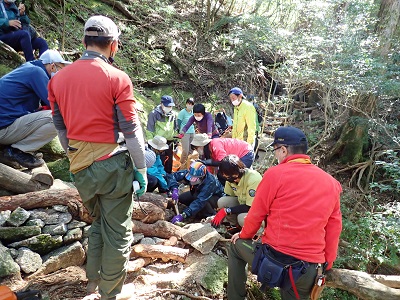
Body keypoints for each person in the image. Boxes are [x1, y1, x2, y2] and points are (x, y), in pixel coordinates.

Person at [48, 15, 147, 300]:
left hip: (80, 166)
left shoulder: (57, 79)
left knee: (100, 223)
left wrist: (74, 157)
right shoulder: (117, 78)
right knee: (118, 233)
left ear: (83, 42)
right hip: (113, 166)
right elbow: (131, 131)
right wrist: (141, 169)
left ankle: (92, 282)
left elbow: (61, 129)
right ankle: (109, 294)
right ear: (113, 46)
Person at [227, 126, 342, 300]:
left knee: (235, 247)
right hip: (307, 269)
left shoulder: (275, 174)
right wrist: (328, 263)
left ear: (283, 149)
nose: (276, 156)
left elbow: (257, 214)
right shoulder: (332, 183)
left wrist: (243, 235)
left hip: (272, 260)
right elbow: (334, 228)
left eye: (276, 151)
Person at [0, 49, 70, 169]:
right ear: (52, 66)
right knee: (57, 118)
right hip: (3, 130)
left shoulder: (29, 69)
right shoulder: (36, 72)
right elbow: (57, 105)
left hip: (5, 125)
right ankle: (16, 151)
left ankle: (16, 150)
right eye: (60, 69)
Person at [211, 155, 262, 231]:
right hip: (242, 203)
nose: (228, 178)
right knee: (222, 201)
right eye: (225, 176)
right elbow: (229, 196)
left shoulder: (253, 179)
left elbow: (250, 206)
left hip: (258, 210)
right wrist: (221, 210)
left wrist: (227, 211)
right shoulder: (230, 179)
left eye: (231, 176)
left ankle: (259, 233)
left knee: (242, 218)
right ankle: (235, 226)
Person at [146, 95, 178, 173]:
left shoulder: (173, 114)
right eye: (167, 106)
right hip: (158, 143)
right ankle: (160, 178)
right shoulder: (154, 114)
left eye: (171, 106)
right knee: (159, 162)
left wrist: (176, 140)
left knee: (169, 162)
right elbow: (149, 129)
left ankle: (168, 178)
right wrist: (151, 144)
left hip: (169, 142)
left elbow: (175, 128)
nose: (169, 108)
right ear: (161, 104)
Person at [190, 133, 255, 168]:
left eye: (196, 148)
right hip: (243, 152)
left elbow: (224, 162)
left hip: (245, 153)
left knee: (234, 175)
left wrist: (204, 162)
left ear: (201, 146)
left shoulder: (215, 145)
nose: (196, 150)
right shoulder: (210, 148)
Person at [177, 98, 195, 169]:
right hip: (184, 133)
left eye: (191, 104)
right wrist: (179, 131)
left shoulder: (193, 112)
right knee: (185, 150)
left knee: (191, 150)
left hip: (192, 132)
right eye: (189, 104)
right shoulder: (182, 112)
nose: (190, 105)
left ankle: (187, 165)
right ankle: (181, 164)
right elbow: (179, 122)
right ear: (186, 104)